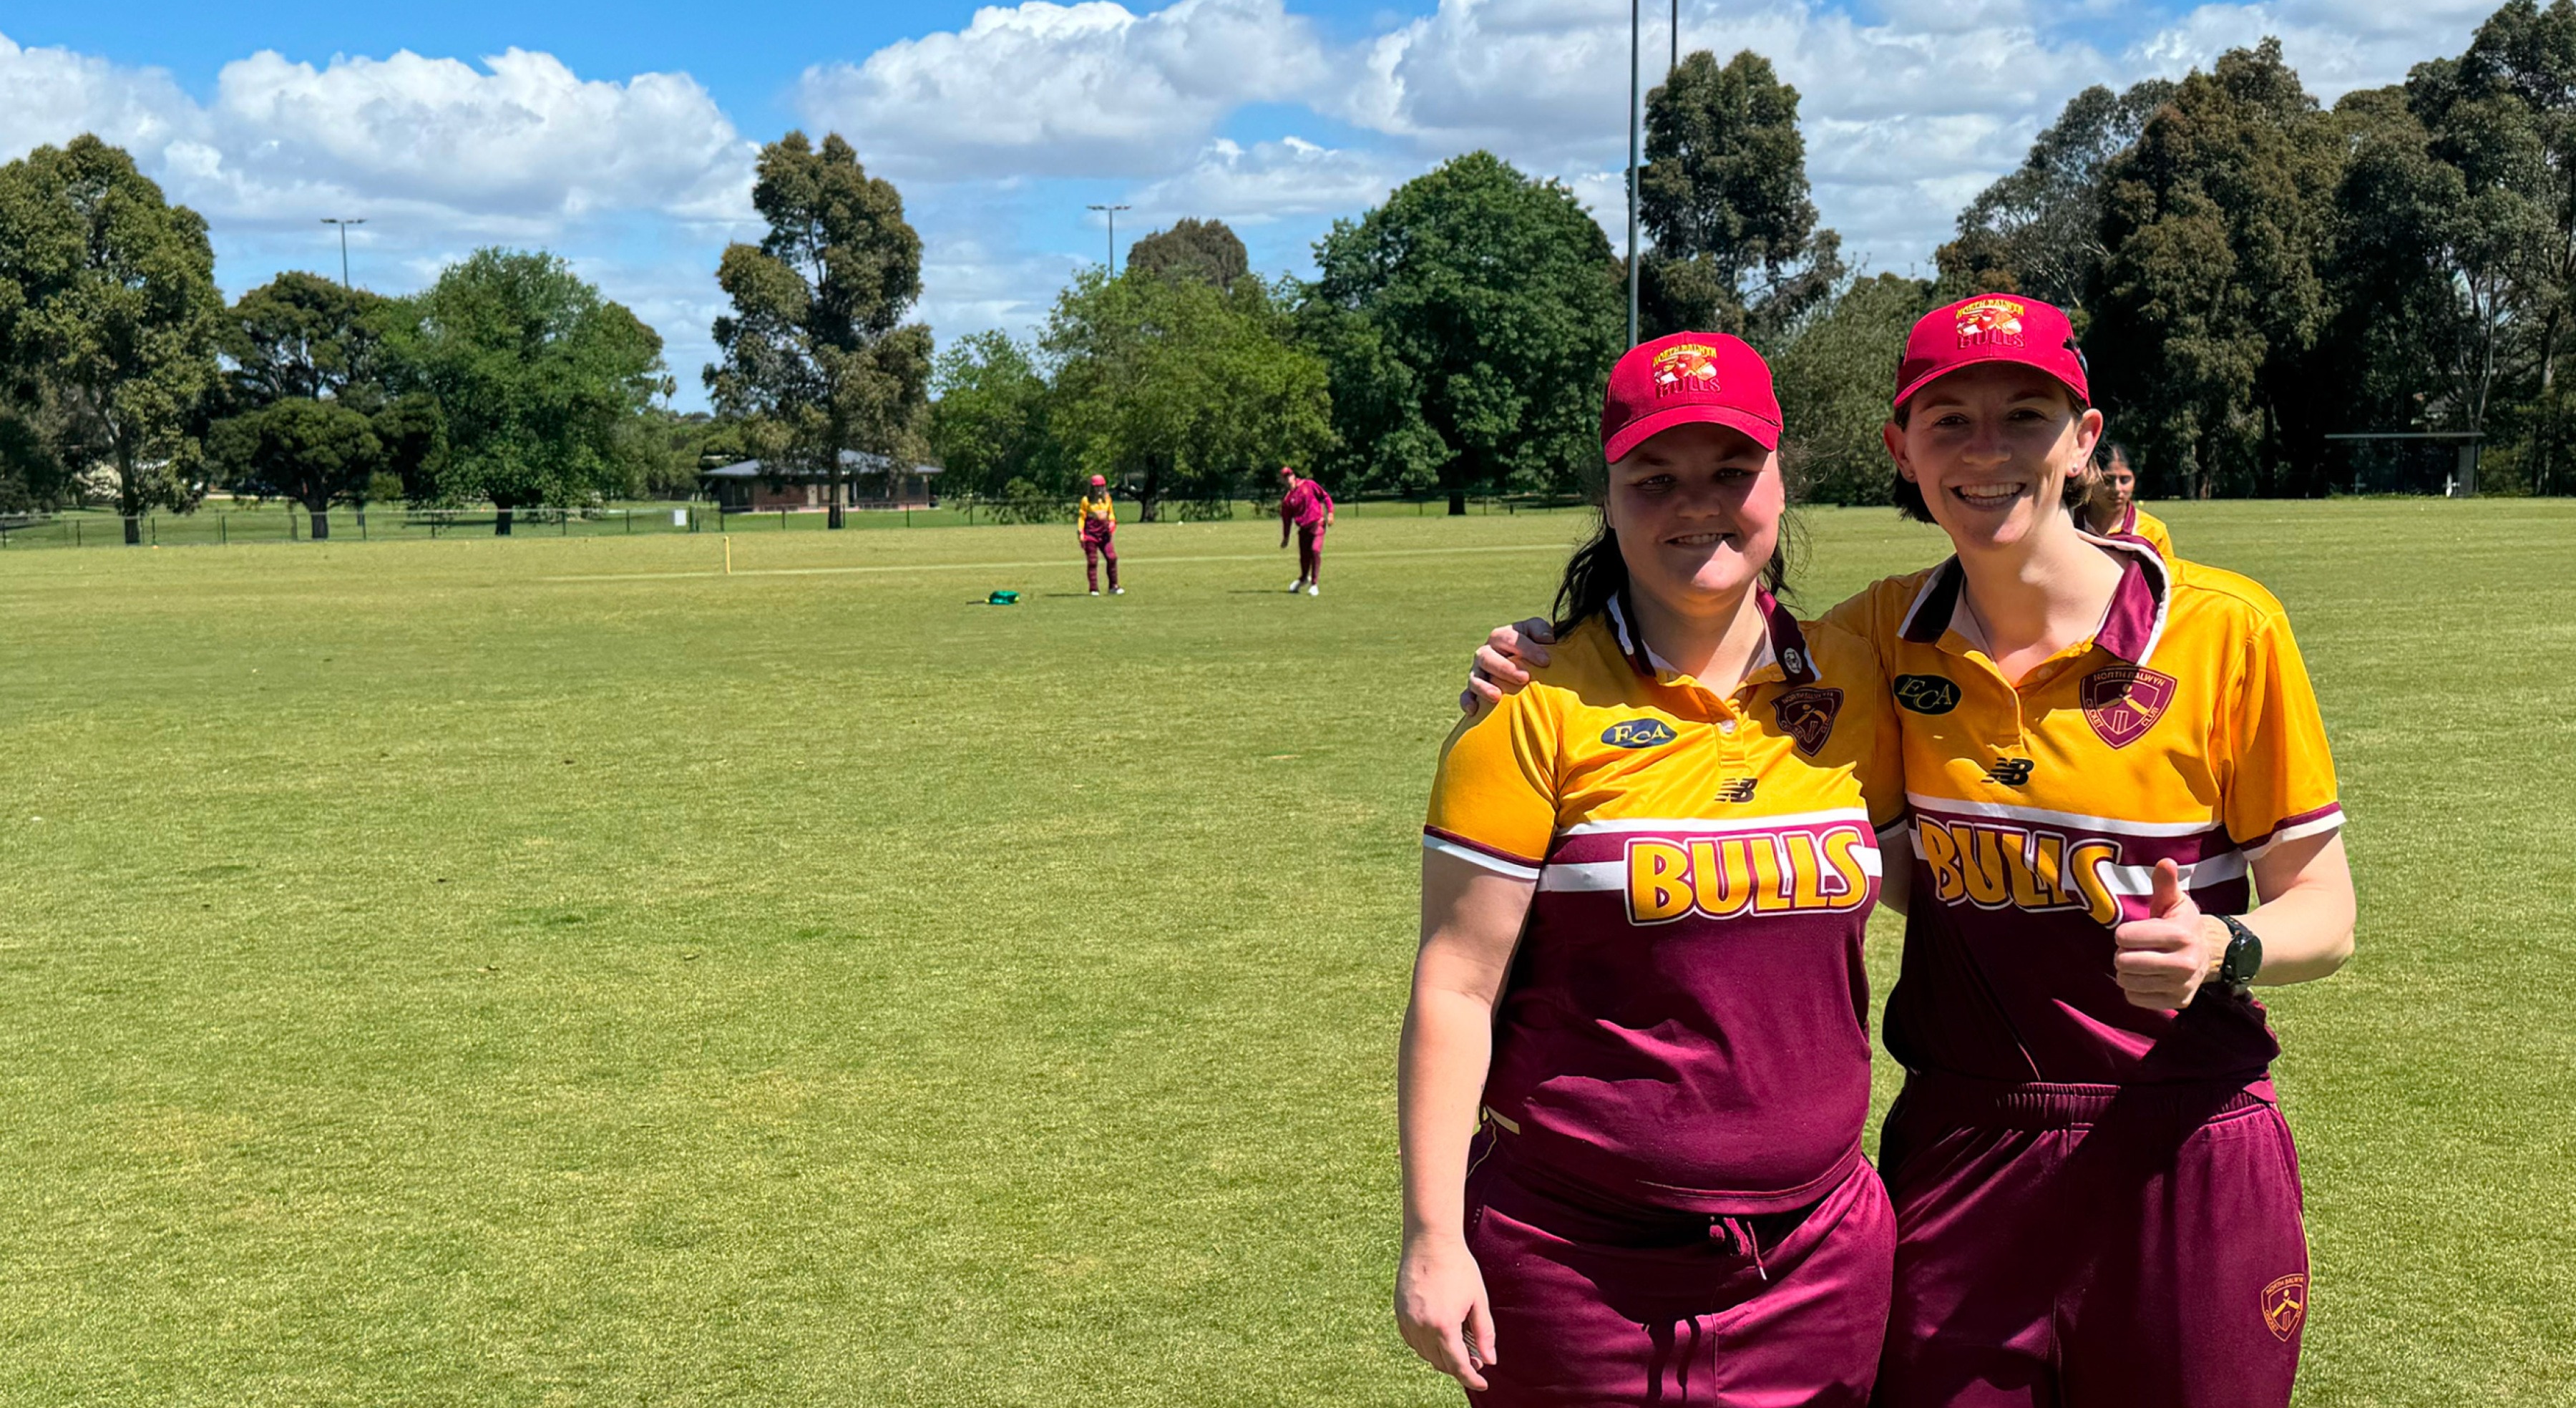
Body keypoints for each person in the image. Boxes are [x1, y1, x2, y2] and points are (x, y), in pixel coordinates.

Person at [1458, 295, 2357, 1408]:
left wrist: (2225, 944)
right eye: (1950, 422)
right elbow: (1719, 665)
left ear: (2085, 441)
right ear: (1902, 450)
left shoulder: (2227, 630)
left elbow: (2325, 912)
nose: (1988, 453)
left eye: (2025, 417)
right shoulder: (1874, 642)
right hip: (1966, 1138)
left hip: (2186, 1130)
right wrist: (1543, 661)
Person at [1399, 333, 1908, 1406]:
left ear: (1781, 480)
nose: (1699, 504)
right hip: (1574, 1267)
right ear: (1611, 494)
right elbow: (1455, 985)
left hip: (1820, 1258)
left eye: (1732, 471)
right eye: (1657, 478)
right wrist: (1434, 1236)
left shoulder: (1859, 674)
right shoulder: (1531, 705)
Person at [2084, 441, 2175, 558]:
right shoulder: (2067, 524)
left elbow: (2165, 574)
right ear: (2090, 477)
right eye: (2107, 480)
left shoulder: (2153, 532)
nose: (2117, 489)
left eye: (2125, 480)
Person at [1279, 464, 1334, 595]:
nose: (1288, 478)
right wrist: (1286, 537)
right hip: (1303, 529)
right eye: (1285, 477)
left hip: (1317, 524)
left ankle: (1314, 584)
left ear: (1293, 475)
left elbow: (1325, 496)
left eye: (1289, 475)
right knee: (1304, 558)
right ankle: (1303, 579)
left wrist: (1330, 513)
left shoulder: (1308, 485)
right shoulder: (1287, 500)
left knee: (1315, 550)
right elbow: (1287, 521)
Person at [1077, 474, 1121, 596]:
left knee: (1112, 557)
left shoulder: (1107, 499)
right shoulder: (1086, 500)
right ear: (1092, 488)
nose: (1100, 489)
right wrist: (1081, 532)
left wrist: (1112, 523)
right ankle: (1094, 588)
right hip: (1091, 534)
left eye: (1102, 486)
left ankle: (1114, 586)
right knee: (1092, 561)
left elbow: (1111, 514)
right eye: (1097, 487)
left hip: (1104, 534)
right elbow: (1082, 518)